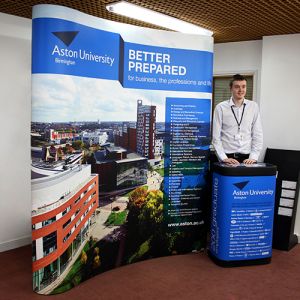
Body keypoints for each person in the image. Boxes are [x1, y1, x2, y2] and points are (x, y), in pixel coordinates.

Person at [212, 74, 263, 165]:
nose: (241, 90)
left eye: (243, 86)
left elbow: (257, 134)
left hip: (248, 159)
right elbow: (216, 137)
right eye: (237, 87)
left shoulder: (253, 107)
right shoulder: (220, 108)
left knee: (247, 180)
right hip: (227, 157)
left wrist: (254, 157)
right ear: (231, 88)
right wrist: (223, 158)